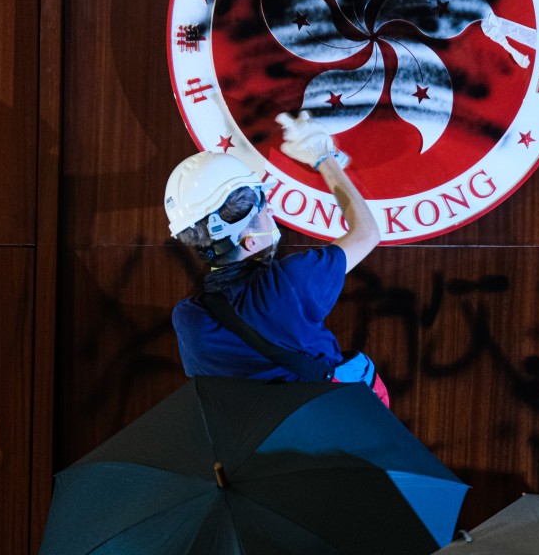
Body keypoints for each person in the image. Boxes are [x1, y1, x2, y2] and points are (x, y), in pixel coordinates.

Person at [164, 111, 388, 405]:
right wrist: (323, 157)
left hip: (262, 432)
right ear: (249, 240)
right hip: (332, 419)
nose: (270, 212)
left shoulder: (188, 318)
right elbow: (367, 233)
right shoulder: (288, 284)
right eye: (263, 208)